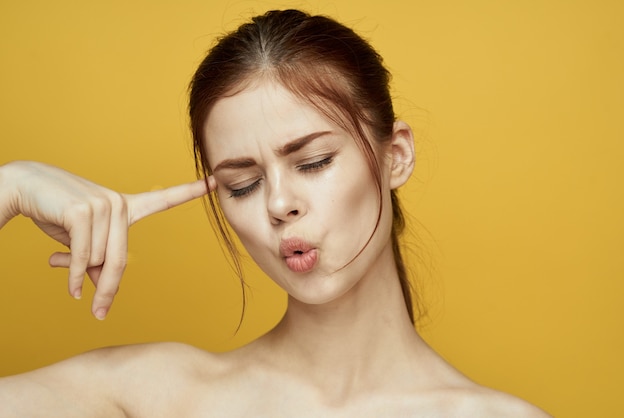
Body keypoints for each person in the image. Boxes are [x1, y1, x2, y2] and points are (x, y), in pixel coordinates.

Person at [0, 9, 550, 417]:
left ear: (394, 156)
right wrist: (13, 186)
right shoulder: (153, 397)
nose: (279, 204)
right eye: (243, 185)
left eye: (313, 162)